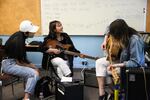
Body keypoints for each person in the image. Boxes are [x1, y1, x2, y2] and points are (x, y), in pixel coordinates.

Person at [96, 19, 146, 100]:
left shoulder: (135, 40)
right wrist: (105, 41)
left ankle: (117, 92)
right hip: (121, 61)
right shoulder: (123, 34)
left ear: (120, 33)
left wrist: (116, 65)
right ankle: (102, 94)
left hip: (133, 68)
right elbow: (108, 29)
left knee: (109, 70)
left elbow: (136, 62)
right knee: (99, 62)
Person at [1, 20, 40, 100]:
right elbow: (20, 62)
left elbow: (20, 60)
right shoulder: (19, 41)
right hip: (10, 65)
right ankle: (26, 98)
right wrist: (34, 66)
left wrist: (31, 66)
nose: (34, 33)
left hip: (9, 63)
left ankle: (28, 91)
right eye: (32, 32)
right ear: (26, 32)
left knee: (32, 70)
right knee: (34, 73)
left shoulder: (18, 35)